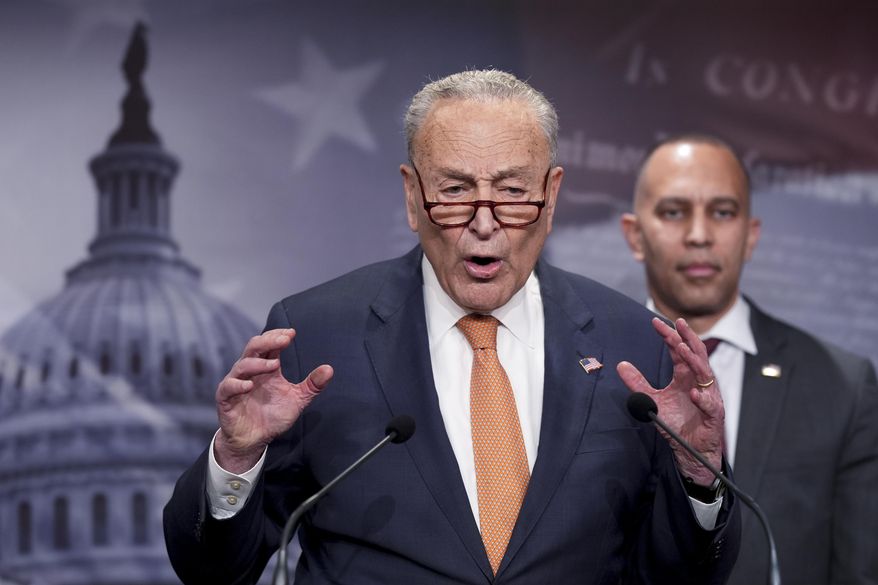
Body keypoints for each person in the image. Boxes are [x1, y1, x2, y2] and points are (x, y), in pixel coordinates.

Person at [164, 71, 740, 585]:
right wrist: (236, 460)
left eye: (513, 193)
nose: (484, 224)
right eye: (456, 191)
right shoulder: (316, 336)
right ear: (413, 196)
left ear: (552, 194)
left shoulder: (635, 342)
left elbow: (681, 574)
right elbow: (215, 572)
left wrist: (699, 475)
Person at [620, 134, 878, 585]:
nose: (699, 235)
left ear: (751, 236)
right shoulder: (589, 365)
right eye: (673, 212)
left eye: (722, 212)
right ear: (635, 235)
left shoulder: (844, 385)